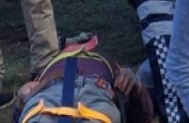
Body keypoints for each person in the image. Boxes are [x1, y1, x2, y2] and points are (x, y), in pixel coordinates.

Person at [11, 33, 155, 123]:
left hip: (94, 93)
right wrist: (20, 101)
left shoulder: (109, 64)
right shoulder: (47, 69)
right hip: (51, 94)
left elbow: (143, 117)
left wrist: (137, 88)